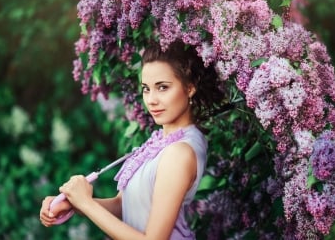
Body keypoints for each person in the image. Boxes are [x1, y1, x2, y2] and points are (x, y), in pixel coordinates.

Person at [39, 40, 225, 239]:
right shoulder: (158, 143)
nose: (151, 100)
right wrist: (74, 203)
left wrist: (87, 203)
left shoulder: (180, 152)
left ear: (189, 88)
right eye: (146, 88)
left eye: (162, 87)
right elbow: (123, 206)